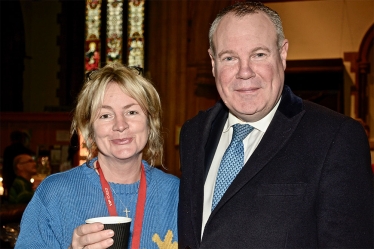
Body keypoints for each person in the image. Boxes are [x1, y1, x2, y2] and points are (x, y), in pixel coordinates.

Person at [178, 2, 373, 248]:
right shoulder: (194, 134)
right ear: (213, 62)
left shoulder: (335, 138)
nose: (244, 72)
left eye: (259, 54)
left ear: (282, 54)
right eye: (229, 58)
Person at [15, 63, 179, 249]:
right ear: (89, 130)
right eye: (105, 115)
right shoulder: (54, 194)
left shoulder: (176, 194)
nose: (120, 125)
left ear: (150, 123)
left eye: (131, 112)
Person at [2, 130, 35, 194]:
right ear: (22, 139)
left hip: (9, 178)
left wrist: (5, 180)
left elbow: (5, 167)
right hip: (22, 177)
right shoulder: (25, 150)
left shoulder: (7, 150)